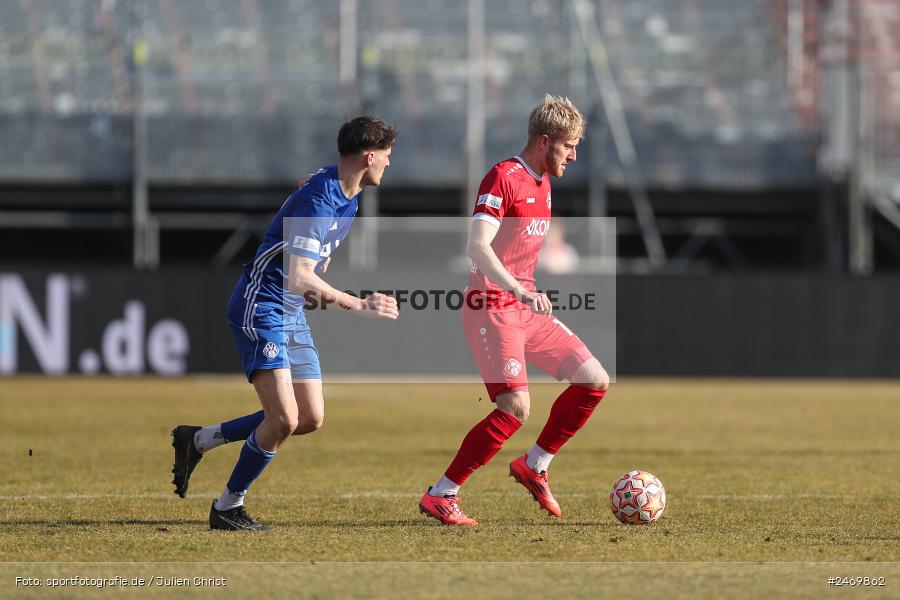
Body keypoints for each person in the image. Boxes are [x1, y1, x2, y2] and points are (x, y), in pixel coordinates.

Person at [171, 116, 399, 531]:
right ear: (369, 156)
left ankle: (198, 440)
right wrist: (356, 303)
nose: (388, 164)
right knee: (283, 421)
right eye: (387, 157)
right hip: (262, 307)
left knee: (309, 418)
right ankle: (227, 507)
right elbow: (300, 276)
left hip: (290, 310)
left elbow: (308, 205)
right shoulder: (321, 198)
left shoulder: (345, 189)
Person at [419, 96, 610, 526]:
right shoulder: (502, 177)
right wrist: (516, 291)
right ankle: (441, 494)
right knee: (515, 408)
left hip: (525, 309)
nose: (574, 156)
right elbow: (477, 247)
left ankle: (534, 464)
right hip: (491, 306)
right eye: (569, 146)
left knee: (594, 380)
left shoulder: (544, 182)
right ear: (544, 142)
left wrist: (525, 295)